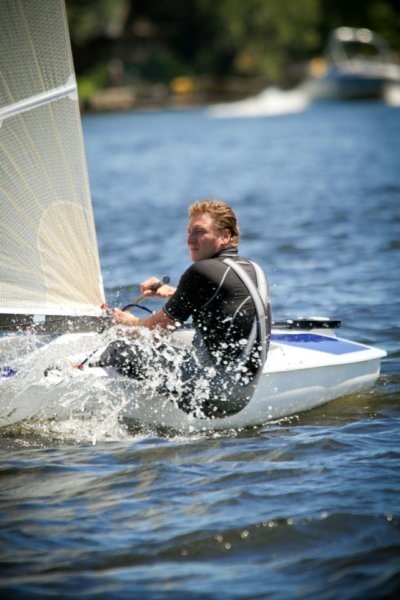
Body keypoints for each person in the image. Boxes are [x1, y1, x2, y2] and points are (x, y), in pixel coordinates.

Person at [97, 199, 271, 418]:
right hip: (242, 394)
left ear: (225, 236)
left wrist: (129, 322)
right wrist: (171, 291)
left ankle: (80, 373)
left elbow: (156, 329)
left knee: (119, 348)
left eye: (200, 232)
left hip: (209, 396)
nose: (190, 240)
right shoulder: (252, 268)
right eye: (189, 232)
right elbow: (223, 299)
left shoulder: (201, 271)